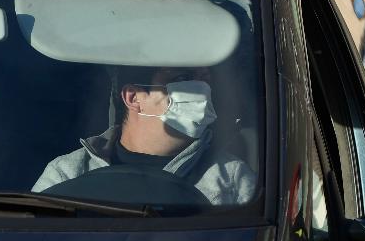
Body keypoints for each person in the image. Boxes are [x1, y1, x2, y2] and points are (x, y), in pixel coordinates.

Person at [32, 65, 256, 206]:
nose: (201, 90)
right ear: (133, 97)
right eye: (183, 77)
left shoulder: (231, 179)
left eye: (205, 79)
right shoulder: (67, 172)